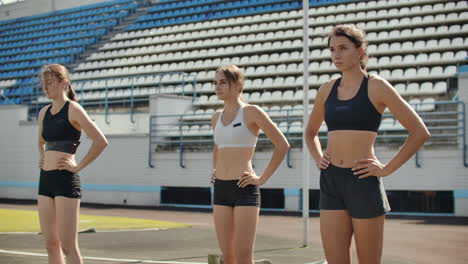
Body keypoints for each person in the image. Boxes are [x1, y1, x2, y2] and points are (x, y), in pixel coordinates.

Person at [305, 24, 430, 264]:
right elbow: (310, 132)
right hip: (331, 180)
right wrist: (318, 156)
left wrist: (386, 169)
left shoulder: (376, 86)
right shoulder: (326, 90)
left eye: (343, 48)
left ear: (361, 50)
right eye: (332, 50)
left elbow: (419, 132)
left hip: (363, 181)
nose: (336, 55)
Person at [211, 64, 290, 264]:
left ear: (238, 85)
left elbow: (282, 145)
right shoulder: (215, 118)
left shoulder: (251, 112)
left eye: (223, 82)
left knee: (243, 256)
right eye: (215, 83)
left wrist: (261, 178)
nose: (217, 87)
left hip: (244, 187)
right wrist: (215, 169)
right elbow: (218, 148)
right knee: (228, 256)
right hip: (221, 188)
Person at [37, 64, 108, 264]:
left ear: (64, 83)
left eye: (50, 83)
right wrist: (42, 156)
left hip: (65, 181)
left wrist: (78, 167)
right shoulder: (44, 112)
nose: (46, 87)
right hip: (45, 180)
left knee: (68, 246)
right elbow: (41, 141)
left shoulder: (74, 109)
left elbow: (101, 141)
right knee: (51, 244)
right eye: (44, 84)